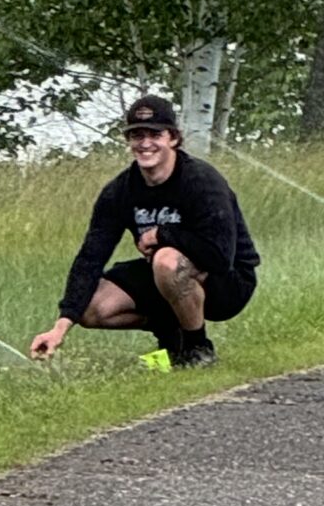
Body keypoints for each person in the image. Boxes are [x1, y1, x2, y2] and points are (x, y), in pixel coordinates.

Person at [30, 93, 259, 369]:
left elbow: (221, 256)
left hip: (229, 281)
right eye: (137, 135)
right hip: (167, 275)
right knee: (91, 308)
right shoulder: (120, 191)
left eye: (155, 134)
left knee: (166, 260)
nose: (145, 143)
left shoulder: (201, 182)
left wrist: (162, 235)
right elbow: (90, 258)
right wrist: (61, 326)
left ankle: (198, 348)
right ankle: (171, 339)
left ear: (173, 138)